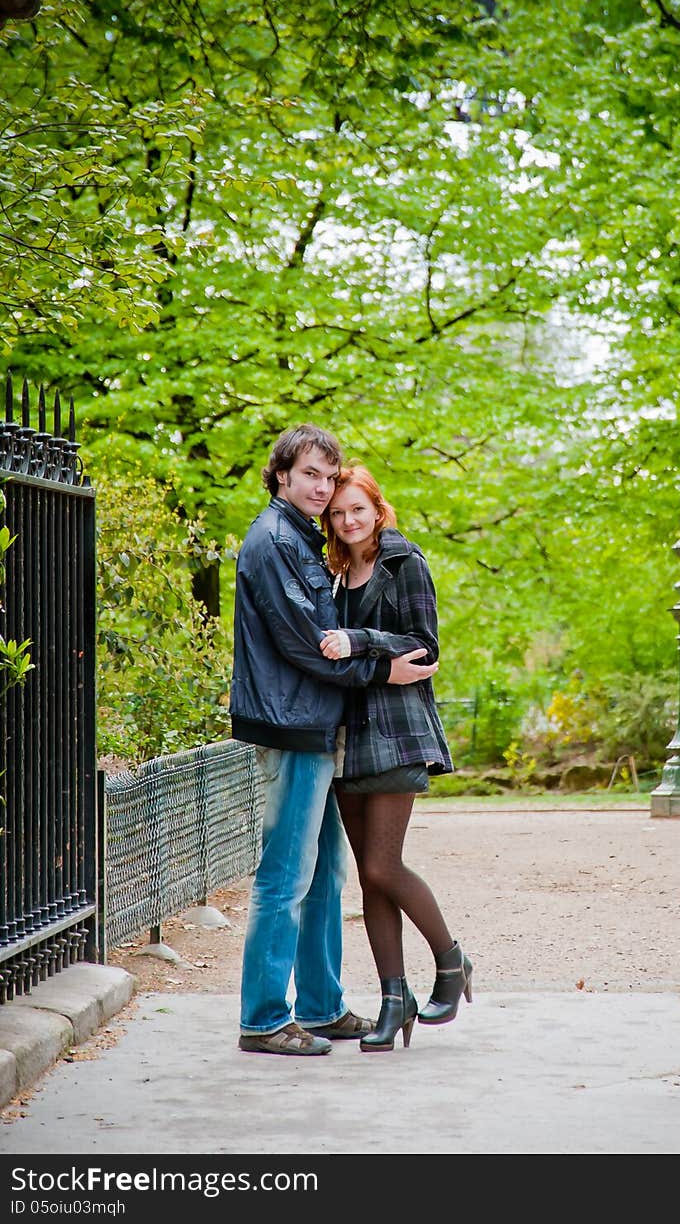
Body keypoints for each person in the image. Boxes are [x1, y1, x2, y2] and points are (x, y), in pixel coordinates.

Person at [230, 424, 438, 1057]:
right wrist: (382, 668)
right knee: (285, 877)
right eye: (309, 476)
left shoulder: (304, 539)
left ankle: (320, 1006)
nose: (322, 488)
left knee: (325, 874)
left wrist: (374, 658)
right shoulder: (274, 542)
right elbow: (304, 642)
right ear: (281, 477)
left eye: (330, 475)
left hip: (320, 725)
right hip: (291, 725)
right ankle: (264, 1018)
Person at [319, 464, 473, 1052]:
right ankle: (393, 998)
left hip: (397, 733)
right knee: (369, 880)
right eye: (337, 512)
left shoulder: (404, 562)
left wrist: (360, 640)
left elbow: (425, 647)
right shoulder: (336, 572)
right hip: (348, 737)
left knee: (384, 867)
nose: (348, 520)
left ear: (377, 508)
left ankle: (451, 961)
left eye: (357, 508)